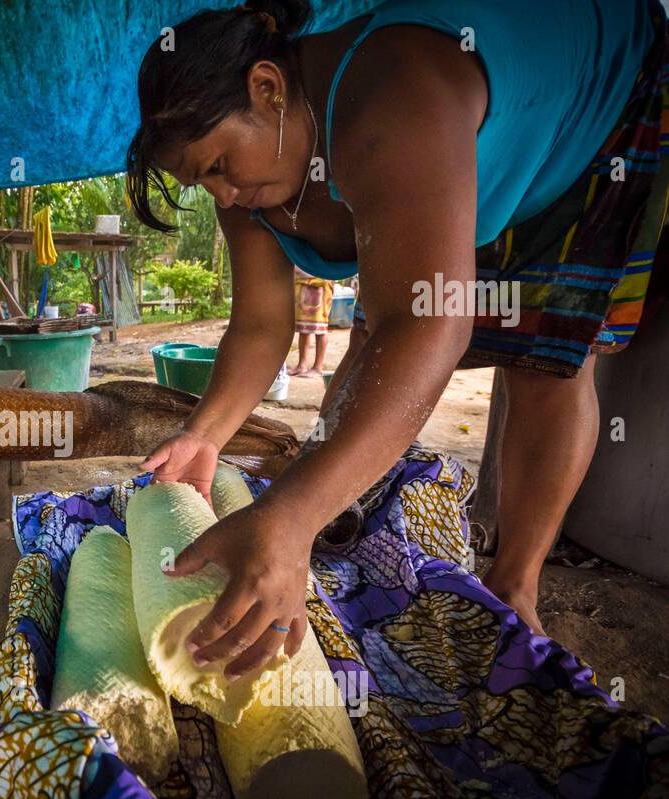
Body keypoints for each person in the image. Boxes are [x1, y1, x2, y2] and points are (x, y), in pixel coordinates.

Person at [128, 0, 668, 677]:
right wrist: (204, 435)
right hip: (463, 146)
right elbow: (263, 326)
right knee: (373, 344)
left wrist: (290, 516)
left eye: (216, 166)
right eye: (202, 182)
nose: (224, 194)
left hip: (587, 107)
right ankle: (331, 505)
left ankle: (516, 583)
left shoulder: (395, 97)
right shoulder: (246, 183)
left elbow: (431, 324)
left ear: (266, 87)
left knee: (548, 357)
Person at [289, 266, 332, 376]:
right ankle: (302, 365)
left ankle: (318, 367)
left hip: (320, 280)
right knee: (303, 327)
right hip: (302, 279)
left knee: (321, 327)